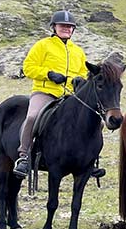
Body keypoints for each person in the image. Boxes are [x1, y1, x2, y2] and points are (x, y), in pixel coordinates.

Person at [14, 10, 90, 177]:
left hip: (70, 95)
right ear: (54, 27)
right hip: (46, 92)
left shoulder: (78, 51)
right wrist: (48, 74)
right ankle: (24, 156)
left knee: (90, 119)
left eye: (70, 27)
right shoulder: (42, 45)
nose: (66, 29)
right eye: (63, 26)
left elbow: (84, 72)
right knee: (33, 117)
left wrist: (79, 80)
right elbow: (28, 67)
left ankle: (89, 159)